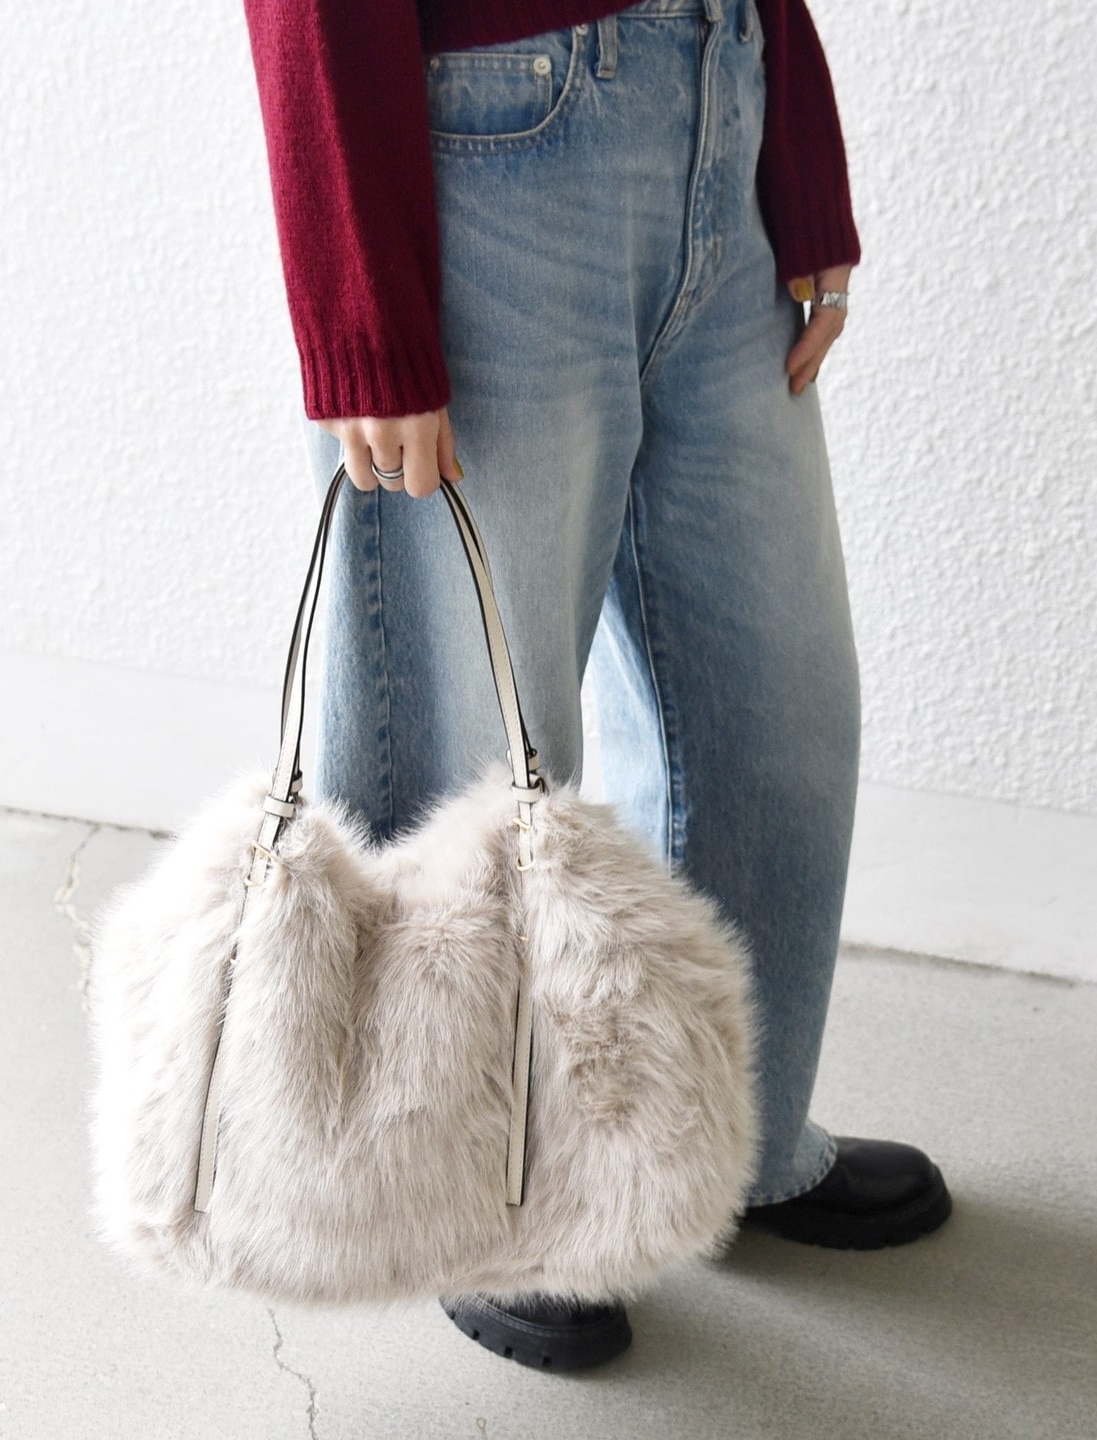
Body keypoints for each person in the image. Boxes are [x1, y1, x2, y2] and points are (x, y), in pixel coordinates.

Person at [241, 0, 953, 1372]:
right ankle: (472, 1204)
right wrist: (361, 307)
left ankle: (726, 1148)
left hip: (717, 86)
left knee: (776, 701)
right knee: (475, 728)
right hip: (495, 134)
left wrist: (797, 152)